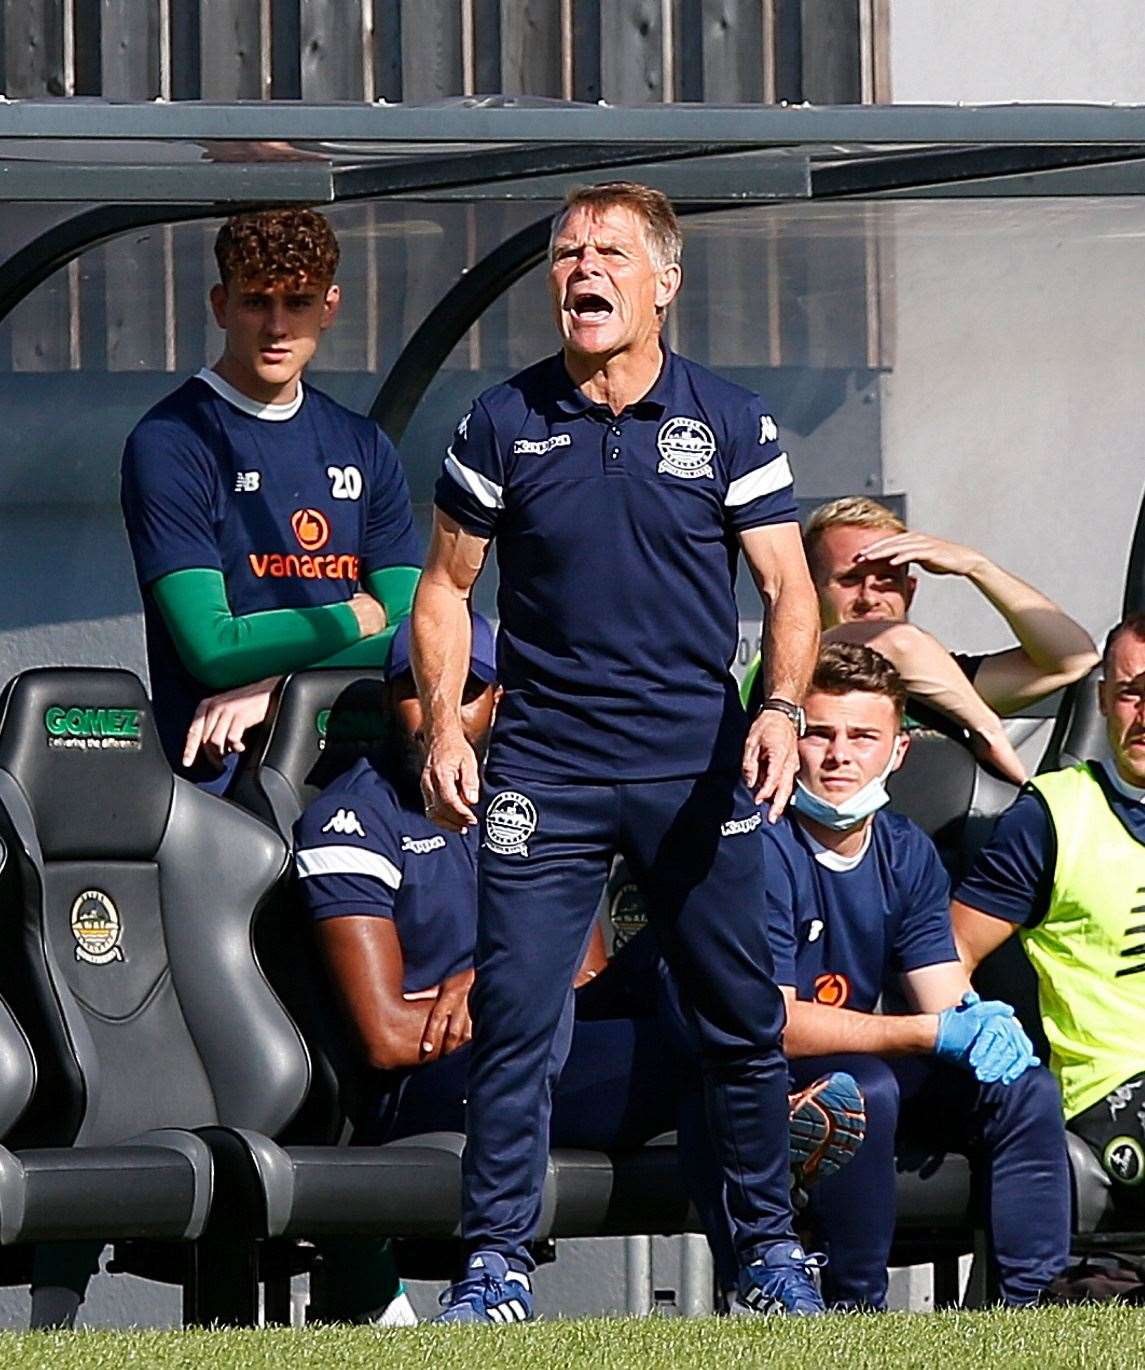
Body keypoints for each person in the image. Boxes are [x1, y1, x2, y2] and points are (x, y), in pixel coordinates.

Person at [412, 181, 825, 1320]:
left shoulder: (730, 420)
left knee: (741, 1014)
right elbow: (443, 589)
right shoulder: (501, 420)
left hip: (699, 768)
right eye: (563, 253)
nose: (579, 269)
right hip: (544, 770)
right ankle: (494, 1262)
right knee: (518, 1015)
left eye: (606, 252)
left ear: (662, 282)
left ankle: (767, 1258)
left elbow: (792, 589)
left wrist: (781, 710)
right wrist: (447, 723)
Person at [293, 616, 865, 1321]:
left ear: (498, 698)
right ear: (389, 700)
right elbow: (382, 1036)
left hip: (539, 1037)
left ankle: (762, 1196)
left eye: (466, 689)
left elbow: (583, 973)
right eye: (414, 689)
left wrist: (498, 977)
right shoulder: (351, 817)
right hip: (434, 1084)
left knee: (680, 960)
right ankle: (766, 1193)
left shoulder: (531, 800)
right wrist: (509, 988)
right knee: (695, 1064)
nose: (438, 708)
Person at [763, 642, 1069, 1309]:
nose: (839, 755)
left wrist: (976, 1020)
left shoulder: (905, 851)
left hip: (859, 1054)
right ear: (788, 741)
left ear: (897, 752)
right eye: (818, 733)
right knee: (862, 1089)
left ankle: (1031, 1309)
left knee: (1022, 1088)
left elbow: (943, 992)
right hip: (757, 1075)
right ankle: (856, 1309)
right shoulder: (758, 844)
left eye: (862, 736)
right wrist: (935, 1032)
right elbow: (774, 1022)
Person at [120, 208, 421, 794]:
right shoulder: (173, 441)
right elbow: (213, 648)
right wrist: (354, 616)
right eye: (257, 302)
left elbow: (414, 634)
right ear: (220, 304)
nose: (277, 327)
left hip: (356, 764)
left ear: (330, 307)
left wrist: (277, 684)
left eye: (299, 303)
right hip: (224, 777)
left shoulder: (362, 443)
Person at [953, 612, 1145, 1208]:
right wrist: (973, 1030)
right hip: (1111, 1086)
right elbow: (950, 952)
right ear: (1103, 701)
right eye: (1130, 693)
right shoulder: (1054, 815)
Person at [745, 497, 1100, 784]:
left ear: (909, 591)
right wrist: (987, 729)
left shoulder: (937, 678)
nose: (870, 597)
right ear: (811, 591)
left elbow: (1074, 658)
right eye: (851, 580)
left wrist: (977, 567)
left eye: (887, 580)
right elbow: (899, 643)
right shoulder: (786, 671)